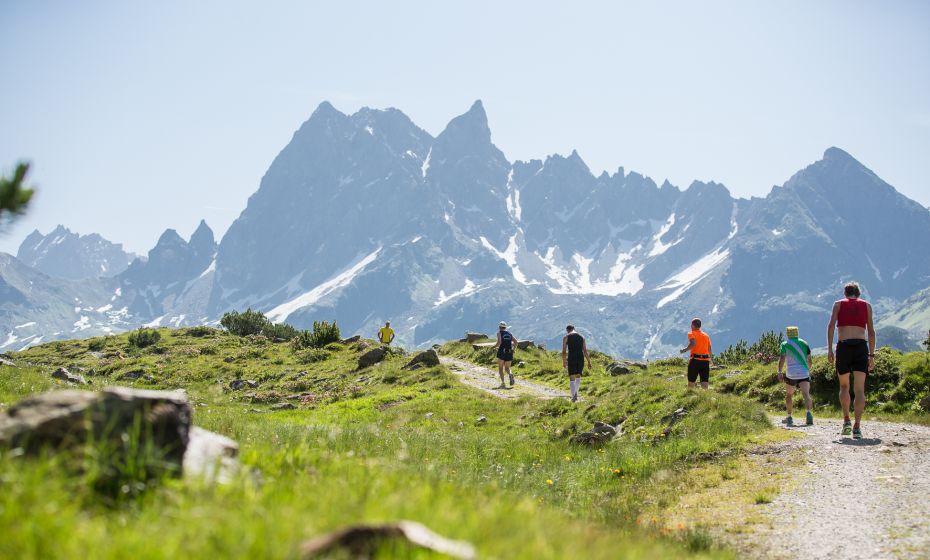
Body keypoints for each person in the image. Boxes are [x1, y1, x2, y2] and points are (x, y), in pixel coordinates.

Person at [827, 282, 875, 439]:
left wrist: (829, 349)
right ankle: (857, 427)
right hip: (861, 347)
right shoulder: (867, 306)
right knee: (859, 389)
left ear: (845, 293)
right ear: (858, 293)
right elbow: (872, 332)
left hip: (844, 347)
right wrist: (872, 356)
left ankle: (847, 420)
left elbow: (831, 326)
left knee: (844, 386)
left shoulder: (838, 304)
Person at [777, 326, 814, 427]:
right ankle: (808, 414)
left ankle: (789, 417)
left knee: (789, 395)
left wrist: (779, 371)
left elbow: (782, 359)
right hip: (804, 372)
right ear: (797, 332)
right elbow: (809, 360)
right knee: (806, 394)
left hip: (791, 373)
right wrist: (808, 369)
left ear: (788, 333)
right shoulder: (804, 343)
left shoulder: (784, 344)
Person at [679, 318, 712, 389]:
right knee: (705, 383)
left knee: (691, 382)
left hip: (695, 361)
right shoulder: (706, 335)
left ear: (693, 325)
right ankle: (705, 398)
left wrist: (684, 350)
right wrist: (711, 360)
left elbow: (693, 344)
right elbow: (709, 348)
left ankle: (689, 396)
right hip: (705, 361)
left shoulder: (691, 333)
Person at [562, 325, 592, 402]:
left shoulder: (566, 337)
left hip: (572, 357)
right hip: (580, 357)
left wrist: (564, 361)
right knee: (578, 375)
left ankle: (573, 396)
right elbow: (585, 351)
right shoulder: (582, 337)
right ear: (574, 329)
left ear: (567, 330)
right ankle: (576, 394)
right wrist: (589, 361)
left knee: (572, 377)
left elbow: (564, 352)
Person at [493, 321, 517, 389]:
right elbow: (516, 342)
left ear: (499, 327)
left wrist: (493, 347)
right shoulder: (509, 333)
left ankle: (503, 383)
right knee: (507, 368)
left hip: (502, 351)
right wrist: (513, 349)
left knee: (500, 368)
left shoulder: (499, 333)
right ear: (505, 327)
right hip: (509, 352)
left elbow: (499, 342)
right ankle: (510, 374)